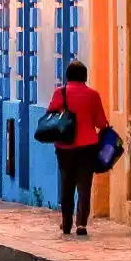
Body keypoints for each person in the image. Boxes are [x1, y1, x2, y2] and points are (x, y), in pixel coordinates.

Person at [43, 59, 111, 238]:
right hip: (87, 147)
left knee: (67, 184)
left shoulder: (60, 93)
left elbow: (50, 115)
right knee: (84, 186)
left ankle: (66, 223)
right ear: (85, 76)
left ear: (67, 76)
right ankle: (81, 223)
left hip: (65, 146)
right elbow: (101, 122)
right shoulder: (93, 95)